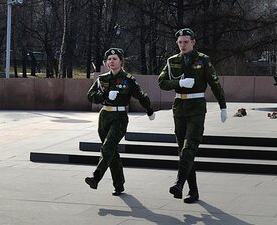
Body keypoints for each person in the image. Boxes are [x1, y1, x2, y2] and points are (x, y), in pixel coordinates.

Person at [157, 28, 226, 204]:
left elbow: (215, 83)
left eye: (186, 42)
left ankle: (179, 183)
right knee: (183, 150)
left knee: (189, 148)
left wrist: (223, 106)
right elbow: (162, 82)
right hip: (179, 107)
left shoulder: (203, 59)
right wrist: (179, 83)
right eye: (180, 42)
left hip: (196, 106)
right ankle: (193, 191)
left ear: (193, 42)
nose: (183, 45)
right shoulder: (173, 61)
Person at [84, 47, 154, 196]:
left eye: (115, 59)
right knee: (111, 151)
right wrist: (104, 96)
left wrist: (149, 109)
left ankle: (96, 177)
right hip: (104, 116)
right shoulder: (102, 79)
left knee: (108, 147)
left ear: (121, 62)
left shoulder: (128, 79)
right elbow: (90, 96)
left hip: (120, 117)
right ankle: (119, 184)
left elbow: (141, 95)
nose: (111, 61)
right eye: (109, 59)